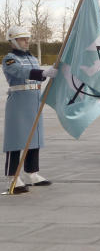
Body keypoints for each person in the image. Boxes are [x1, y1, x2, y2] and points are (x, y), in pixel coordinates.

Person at [4, 26, 57, 192]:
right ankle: (13, 177)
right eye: (22, 39)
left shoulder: (33, 58)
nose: (27, 41)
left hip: (34, 102)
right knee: (15, 140)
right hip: (18, 104)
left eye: (27, 38)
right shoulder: (9, 59)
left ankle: (31, 173)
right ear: (13, 41)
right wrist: (44, 73)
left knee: (35, 137)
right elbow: (20, 72)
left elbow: (37, 77)